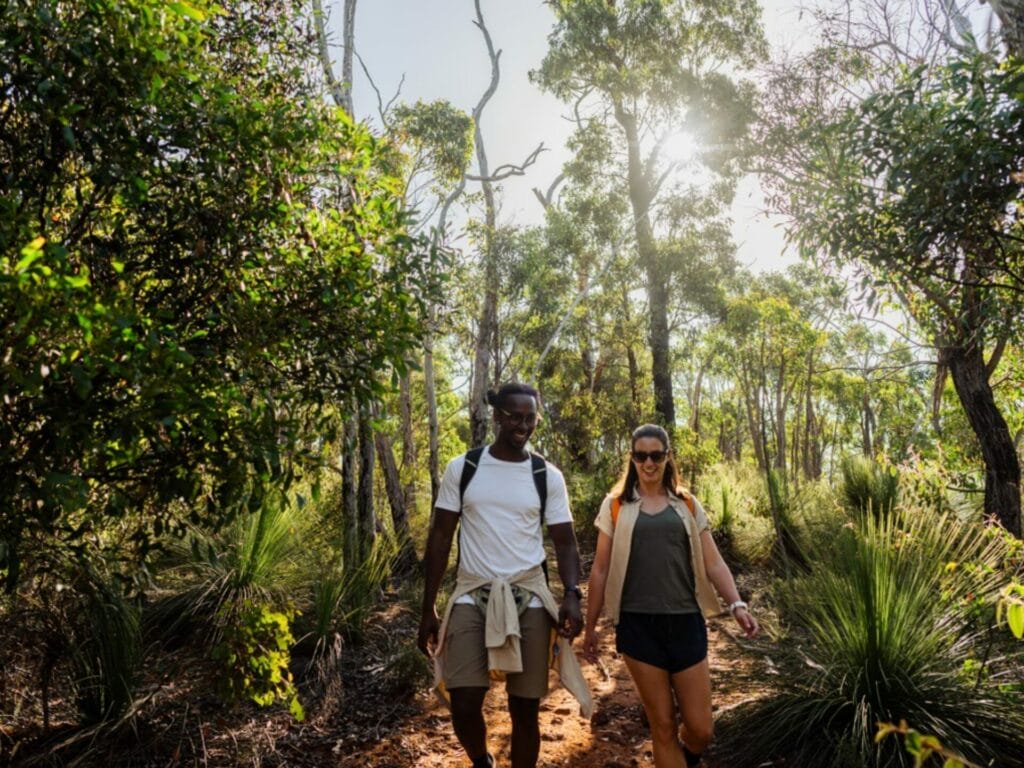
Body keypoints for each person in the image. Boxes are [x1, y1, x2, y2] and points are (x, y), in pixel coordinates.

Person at [418, 382, 591, 768]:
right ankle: (481, 760)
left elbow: (564, 542)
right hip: (472, 592)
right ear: (497, 416)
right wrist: (428, 607)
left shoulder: (546, 475)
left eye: (531, 418)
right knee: (463, 701)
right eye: (515, 416)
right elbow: (441, 536)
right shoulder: (464, 468)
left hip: (528, 595)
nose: (523, 425)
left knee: (525, 707)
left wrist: (571, 595)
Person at [583, 424, 758, 768]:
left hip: (685, 622)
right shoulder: (616, 505)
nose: (649, 463)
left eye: (656, 455)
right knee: (662, 725)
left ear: (667, 457)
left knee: (700, 728)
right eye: (641, 455)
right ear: (632, 458)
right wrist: (590, 628)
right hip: (637, 625)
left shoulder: (686, 504)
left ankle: (685, 759)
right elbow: (600, 570)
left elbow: (713, 561)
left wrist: (736, 603)